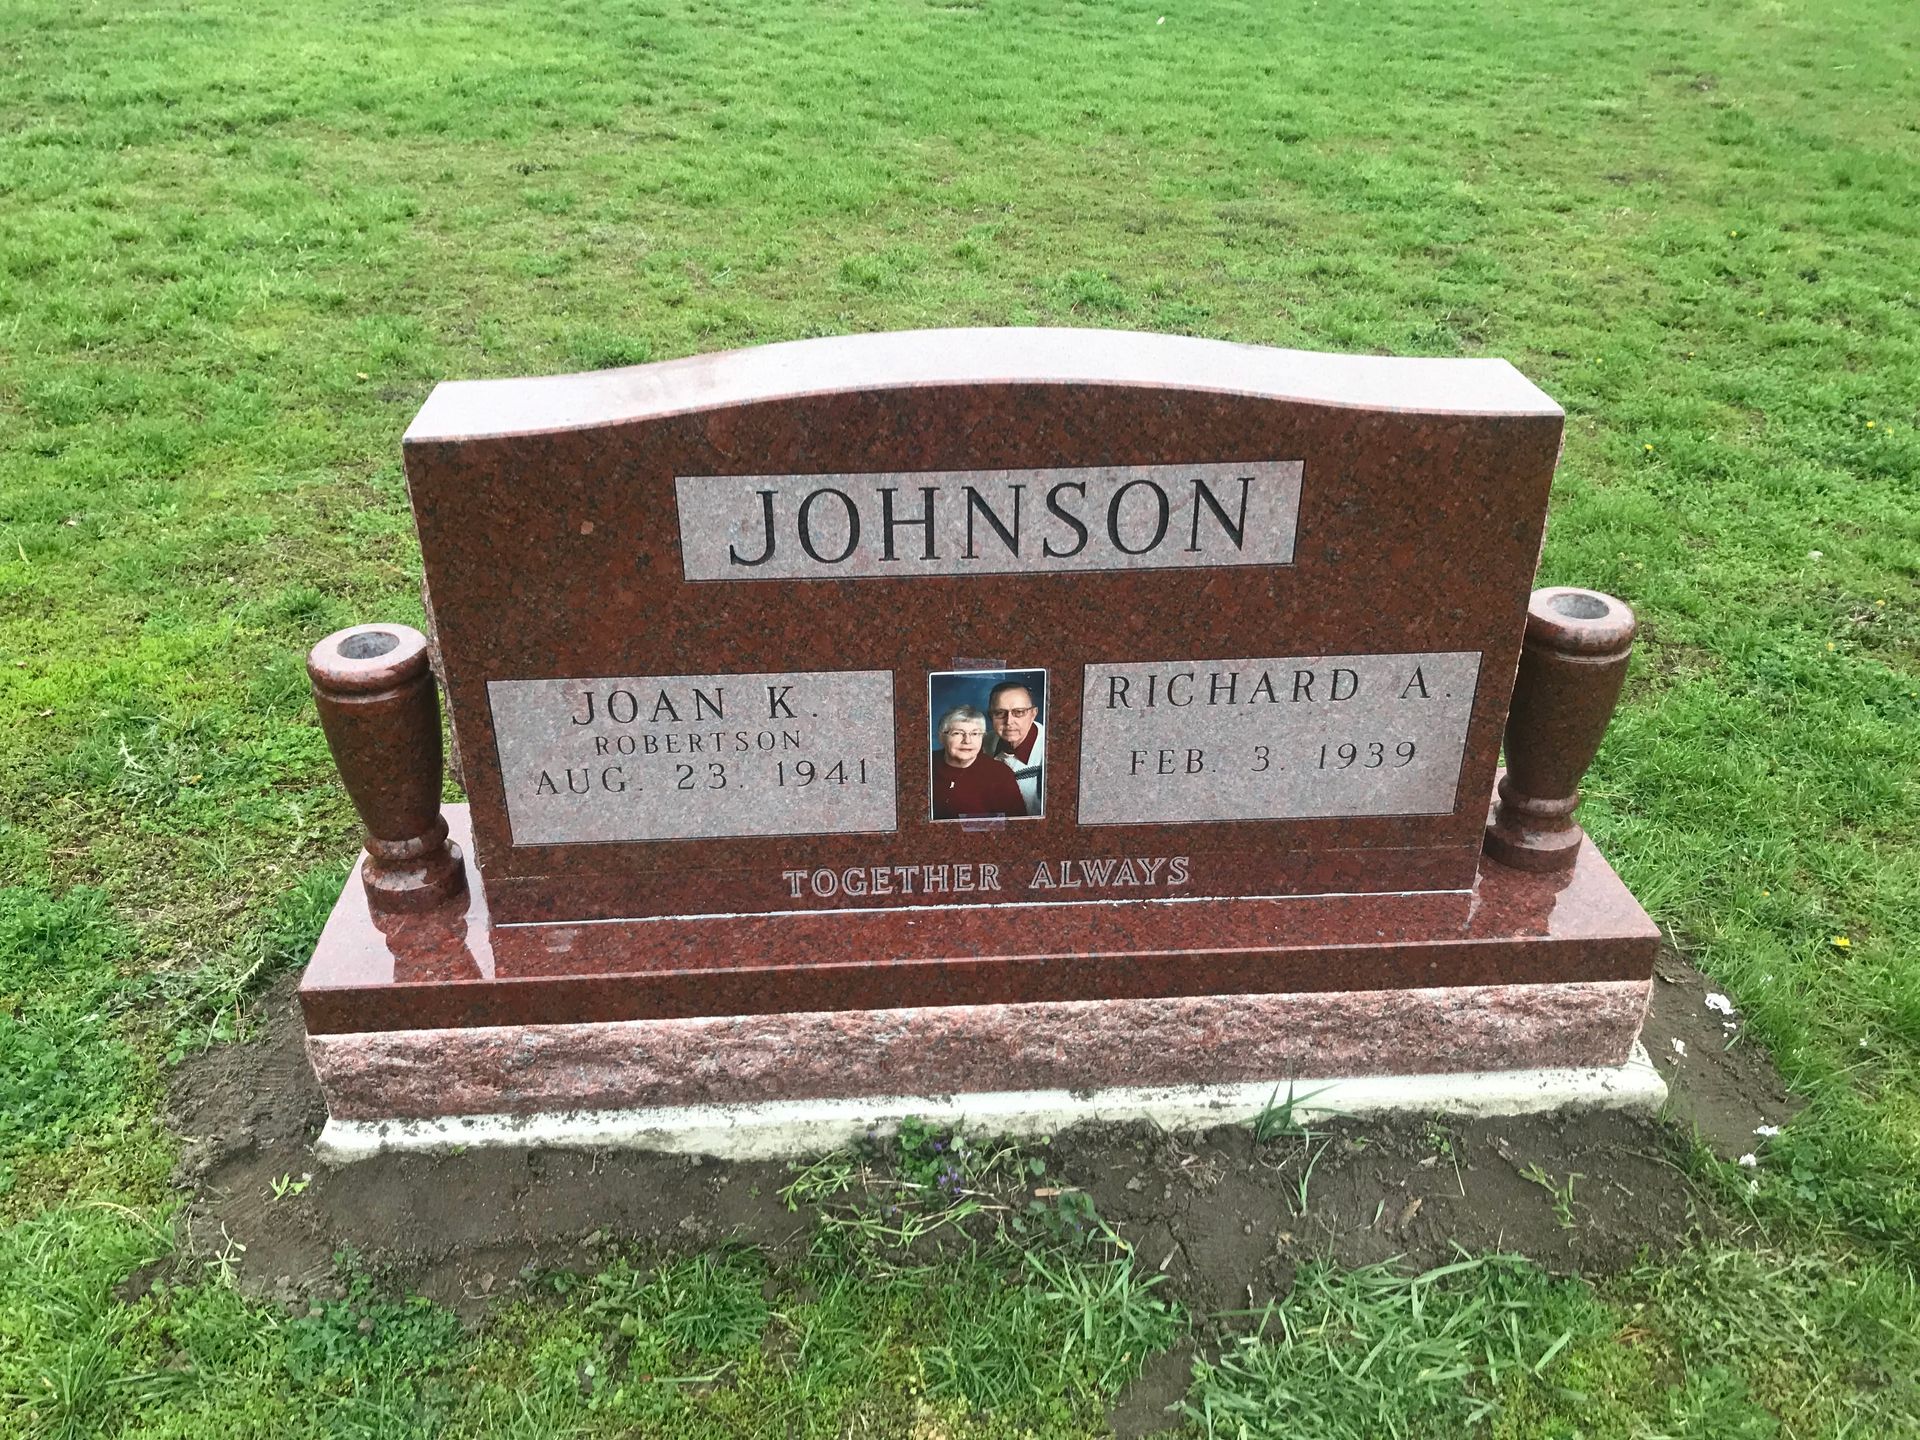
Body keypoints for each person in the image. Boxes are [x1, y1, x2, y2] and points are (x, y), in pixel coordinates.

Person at [931, 705, 1026, 820]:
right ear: (941, 737)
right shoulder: (925, 765)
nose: (967, 741)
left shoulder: (1000, 773)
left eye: (975, 734)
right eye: (957, 733)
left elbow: (1017, 825)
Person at [986, 679, 1044, 816]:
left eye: (1019, 712)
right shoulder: (983, 743)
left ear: (1033, 713)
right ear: (990, 716)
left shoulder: (1050, 748)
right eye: (1000, 713)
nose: (1009, 722)